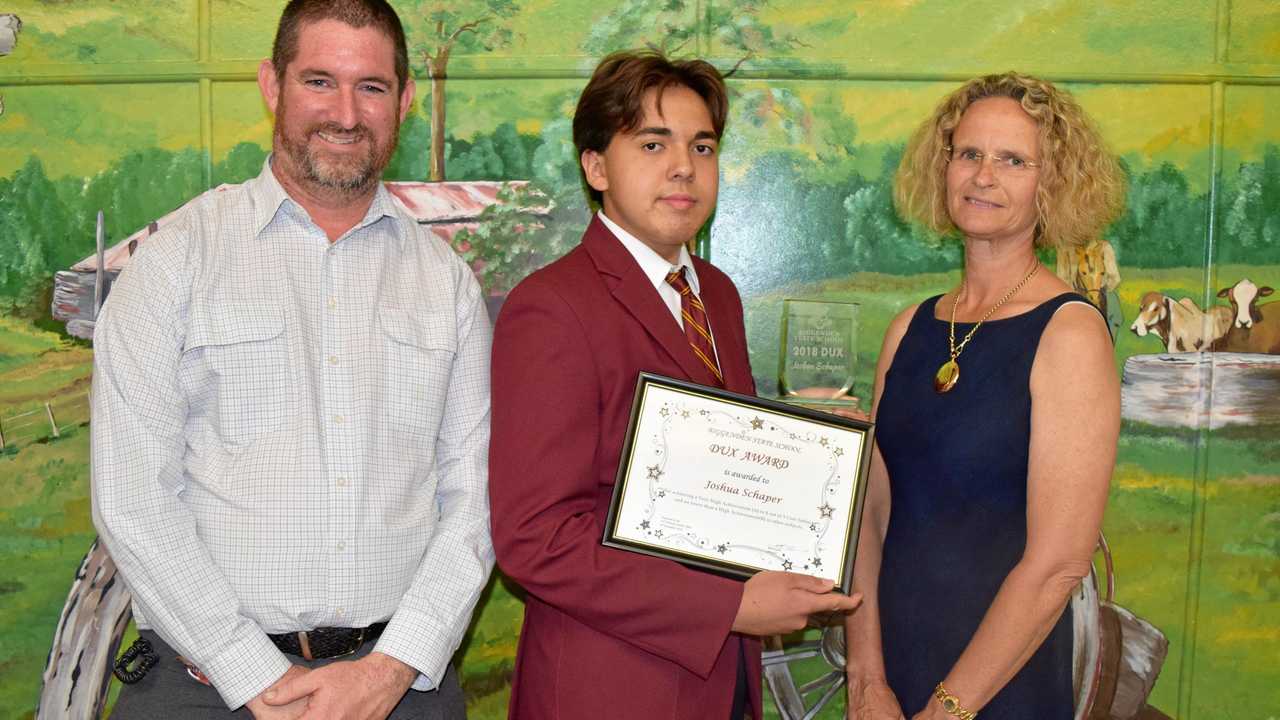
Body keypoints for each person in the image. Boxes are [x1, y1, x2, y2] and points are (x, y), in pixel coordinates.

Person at [90, 1, 493, 717]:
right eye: (318, 81)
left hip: (397, 694)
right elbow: (133, 500)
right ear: (272, 86)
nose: (345, 112)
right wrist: (257, 678)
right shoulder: (175, 263)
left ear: (403, 100)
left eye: (370, 86)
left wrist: (391, 668)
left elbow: (476, 499)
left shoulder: (446, 284)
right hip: (202, 691)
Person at [488, 50, 861, 720]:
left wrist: (811, 453)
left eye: (703, 145)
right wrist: (734, 606)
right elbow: (536, 538)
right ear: (596, 166)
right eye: (652, 143)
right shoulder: (552, 307)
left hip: (726, 683)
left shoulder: (715, 295)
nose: (684, 166)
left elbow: (713, 474)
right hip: (610, 690)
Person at [843, 72, 1124, 720]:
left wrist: (947, 708)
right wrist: (866, 680)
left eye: (1012, 160)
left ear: (1050, 184)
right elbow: (869, 518)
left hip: (1001, 690)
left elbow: (1056, 566)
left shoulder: (1071, 333)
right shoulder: (908, 329)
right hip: (892, 679)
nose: (982, 176)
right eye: (968, 154)